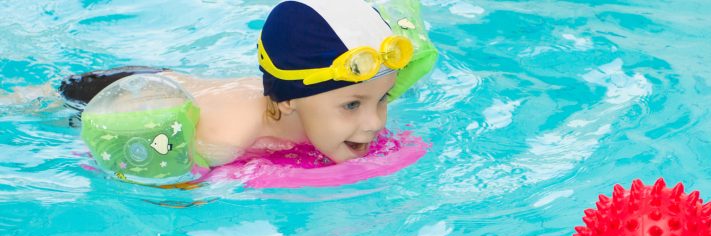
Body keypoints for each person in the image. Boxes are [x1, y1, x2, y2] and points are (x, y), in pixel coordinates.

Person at [11, 0, 437, 184]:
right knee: (22, 104)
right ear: (288, 99)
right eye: (351, 104)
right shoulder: (227, 141)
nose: (375, 122)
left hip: (187, 79)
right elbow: (153, 177)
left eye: (382, 98)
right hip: (126, 94)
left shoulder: (308, 100)